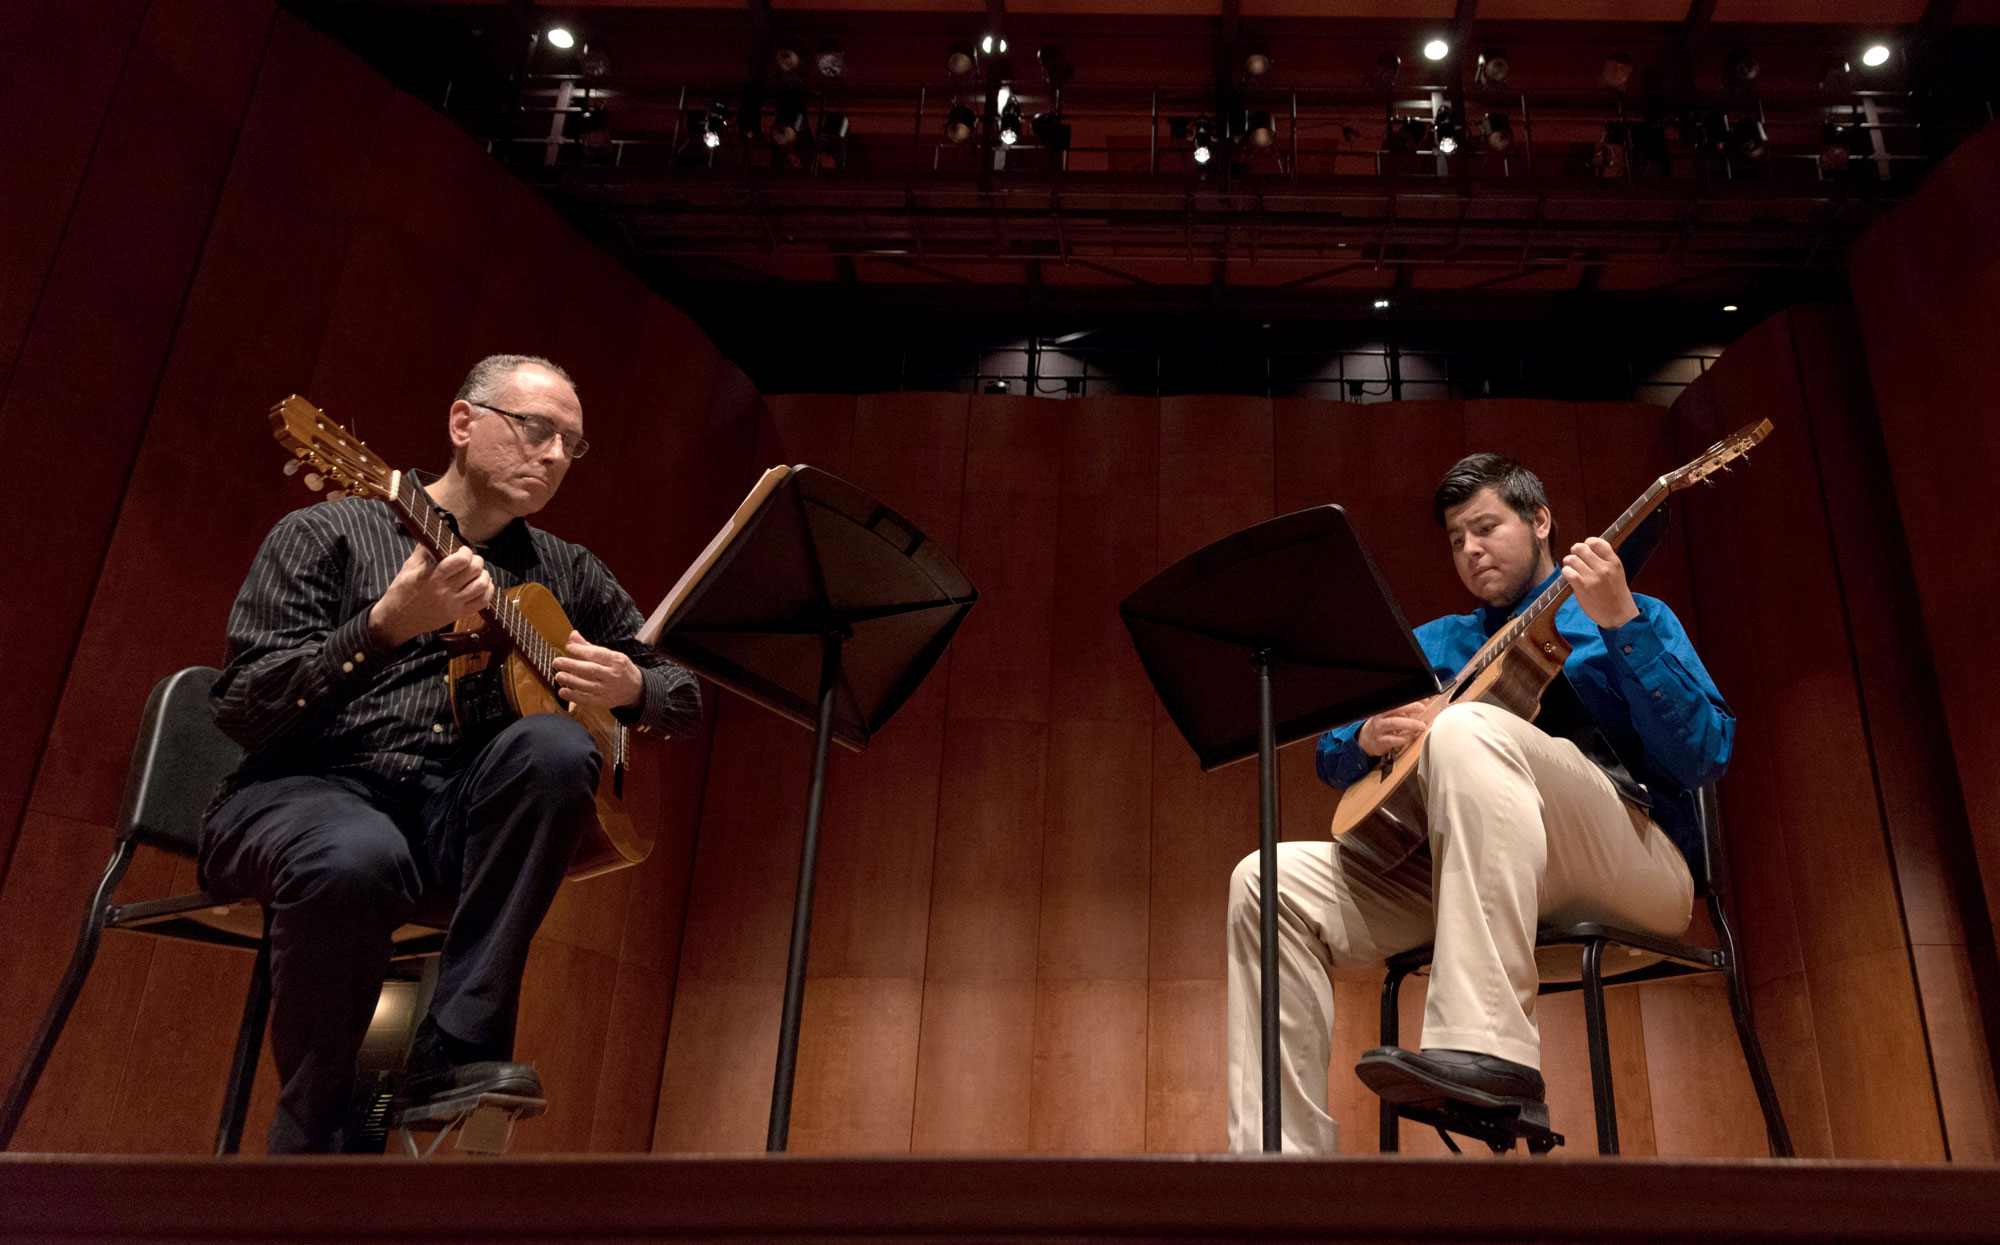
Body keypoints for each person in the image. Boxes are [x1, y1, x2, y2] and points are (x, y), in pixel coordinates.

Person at [203, 355, 701, 1153]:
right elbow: (242, 708)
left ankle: (455, 1045)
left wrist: (633, 686)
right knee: (357, 853)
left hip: (446, 823)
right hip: (301, 794)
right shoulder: (330, 530)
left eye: (571, 445)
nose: (552, 456)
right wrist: (382, 627)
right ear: (463, 424)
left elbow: (685, 693)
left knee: (554, 745)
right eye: (536, 429)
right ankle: (319, 1138)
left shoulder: (565, 572)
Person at [1225, 453, 1731, 1153]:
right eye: (1456, 538)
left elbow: (1705, 752)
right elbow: (1331, 755)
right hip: (1476, 880)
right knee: (1264, 881)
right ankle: (1278, 1159)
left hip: (1637, 865)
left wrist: (1621, 624)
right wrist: (1366, 734)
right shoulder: (1439, 644)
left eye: (1486, 526)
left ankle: (1488, 1054)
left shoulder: (1632, 614)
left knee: (1464, 726)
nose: (1470, 548)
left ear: (1541, 519)